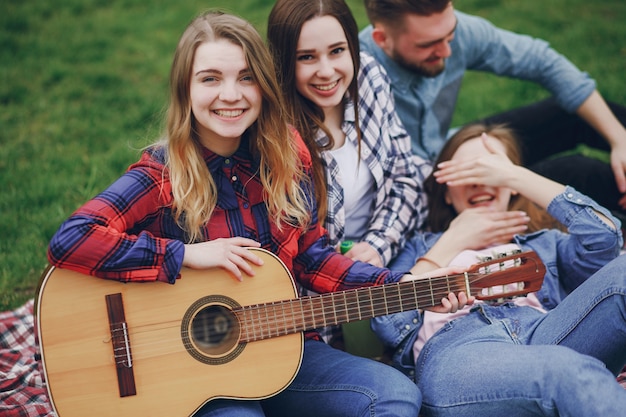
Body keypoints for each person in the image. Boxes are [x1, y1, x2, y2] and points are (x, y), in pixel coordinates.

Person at [46, 10, 472, 417]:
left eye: (245, 78)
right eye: (210, 79)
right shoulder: (162, 174)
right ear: (185, 91)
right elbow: (72, 238)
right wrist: (187, 255)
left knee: (395, 397)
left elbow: (312, 259)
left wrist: (409, 285)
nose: (230, 95)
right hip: (188, 372)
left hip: (287, 350)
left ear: (264, 86)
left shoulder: (287, 159)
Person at [372, 122, 626, 416]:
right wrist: (452, 241)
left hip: (548, 330)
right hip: (462, 353)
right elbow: (387, 323)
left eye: (488, 170)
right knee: (564, 370)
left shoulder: (546, 243)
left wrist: (515, 175)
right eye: (466, 172)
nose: (479, 182)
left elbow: (605, 239)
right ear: (445, 193)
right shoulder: (420, 248)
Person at [359, 0, 626, 217]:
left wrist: (618, 138)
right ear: (382, 38)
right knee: (576, 172)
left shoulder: (452, 32)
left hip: (448, 146)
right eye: (428, 45)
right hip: (421, 195)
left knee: (573, 115)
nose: (447, 51)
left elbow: (543, 62)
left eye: (449, 36)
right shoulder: (353, 74)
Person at [267, 0, 430, 270]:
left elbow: (404, 174)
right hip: (323, 281)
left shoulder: (368, 76)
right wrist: (347, 267)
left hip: (394, 242)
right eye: (306, 56)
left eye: (337, 51)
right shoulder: (273, 130)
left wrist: (377, 246)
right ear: (283, 61)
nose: (327, 71)